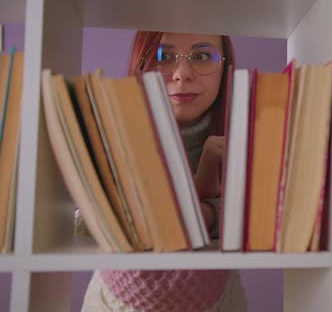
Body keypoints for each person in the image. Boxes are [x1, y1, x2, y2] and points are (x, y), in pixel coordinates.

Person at [80, 31, 248, 312]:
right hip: (112, 301)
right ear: (141, 63)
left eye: (203, 55)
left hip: (218, 301)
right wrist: (204, 210)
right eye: (163, 56)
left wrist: (204, 211)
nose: (182, 74)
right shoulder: (113, 135)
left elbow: (261, 218)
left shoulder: (247, 133)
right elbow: (86, 219)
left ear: (227, 67)